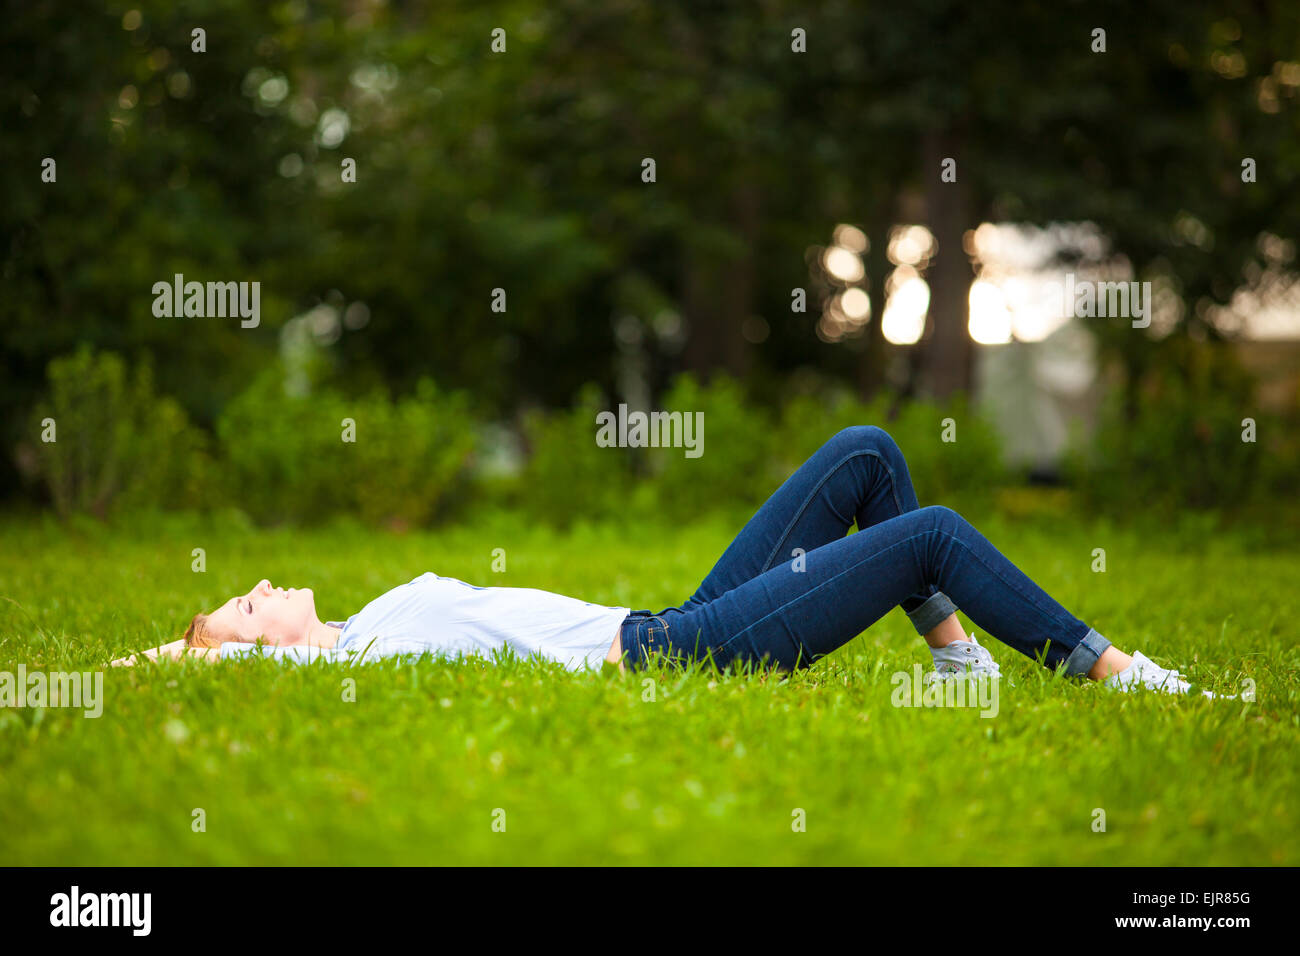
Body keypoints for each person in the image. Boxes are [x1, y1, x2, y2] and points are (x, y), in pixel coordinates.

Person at [111, 427, 1210, 696]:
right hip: (678, 653)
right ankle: (1115, 671)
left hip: (669, 615)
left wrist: (214, 629)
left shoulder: (366, 623)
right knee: (934, 530)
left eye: (242, 593)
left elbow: (233, 646)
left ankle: (957, 670)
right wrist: (169, 650)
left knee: (868, 456)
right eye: (244, 608)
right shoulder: (349, 663)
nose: (257, 588)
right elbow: (202, 666)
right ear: (261, 650)